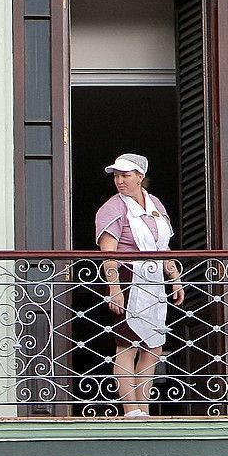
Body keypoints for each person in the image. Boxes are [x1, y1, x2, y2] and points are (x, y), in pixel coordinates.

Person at [94, 153, 184, 418]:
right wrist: (114, 289)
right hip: (127, 277)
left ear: (141, 177)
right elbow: (107, 253)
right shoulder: (113, 207)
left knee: (153, 347)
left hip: (154, 281)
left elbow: (163, 247)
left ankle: (144, 407)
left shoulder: (154, 203)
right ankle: (130, 408)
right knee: (128, 344)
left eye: (126, 175)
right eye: (116, 176)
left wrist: (174, 278)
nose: (120, 181)